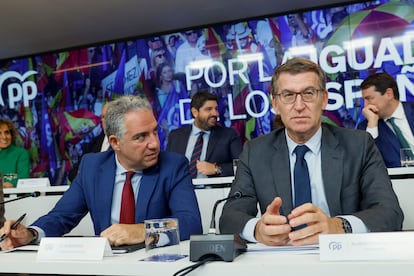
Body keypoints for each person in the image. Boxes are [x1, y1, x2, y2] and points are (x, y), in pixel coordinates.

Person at [219, 58, 403, 246]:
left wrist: (339, 226)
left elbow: (390, 213)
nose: (299, 106)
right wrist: (257, 230)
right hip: (281, 262)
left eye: (308, 93)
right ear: (275, 104)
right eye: (288, 95)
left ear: (324, 99)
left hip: (342, 257)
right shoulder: (255, 151)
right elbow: (229, 217)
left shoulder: (359, 145)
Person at [0, 96, 202, 250]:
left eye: (155, 131)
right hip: (107, 267)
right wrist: (31, 234)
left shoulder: (173, 165)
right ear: (115, 142)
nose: (154, 143)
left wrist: (143, 230)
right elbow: (62, 216)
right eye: (141, 137)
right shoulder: (92, 167)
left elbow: (191, 223)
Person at [167, 91, 242, 178]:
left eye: (216, 109)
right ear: (195, 112)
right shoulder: (176, 136)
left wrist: (216, 169)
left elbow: (242, 166)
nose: (215, 114)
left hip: (214, 190)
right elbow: (168, 168)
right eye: (208, 109)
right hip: (182, 189)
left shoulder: (228, 135)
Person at [358, 72, 414, 168]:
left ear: (389, 94)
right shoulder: (366, 128)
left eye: (369, 98)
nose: (366, 105)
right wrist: (372, 126)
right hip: (397, 181)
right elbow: (366, 164)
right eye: (364, 100)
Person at [68, 102, 111, 181]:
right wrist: (83, 176)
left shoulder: (125, 145)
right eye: (103, 117)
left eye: (109, 117)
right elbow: (73, 173)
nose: (105, 121)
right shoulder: (93, 144)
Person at [0, 118, 31, 188]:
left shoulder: (21, 153)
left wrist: (10, 184)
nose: (4, 137)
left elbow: (23, 179)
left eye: (7, 132)